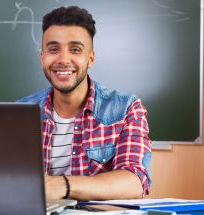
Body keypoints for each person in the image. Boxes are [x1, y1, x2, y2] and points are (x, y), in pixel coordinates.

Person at [18, 6, 152, 201]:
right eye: (53, 49)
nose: (63, 59)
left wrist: (62, 185)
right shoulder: (20, 112)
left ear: (91, 59)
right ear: (42, 57)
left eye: (75, 50)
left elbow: (135, 182)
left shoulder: (126, 109)